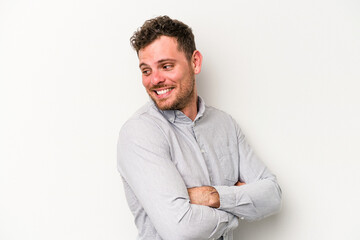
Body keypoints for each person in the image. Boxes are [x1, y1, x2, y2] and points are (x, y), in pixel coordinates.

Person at [117, 16, 282, 240]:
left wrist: (213, 197)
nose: (154, 80)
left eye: (166, 66)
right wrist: (237, 211)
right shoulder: (140, 133)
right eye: (146, 71)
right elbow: (182, 230)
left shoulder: (225, 125)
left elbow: (272, 195)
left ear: (195, 62)